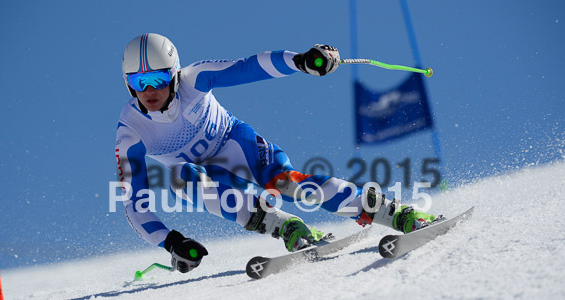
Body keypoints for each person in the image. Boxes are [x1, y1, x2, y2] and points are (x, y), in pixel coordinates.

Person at [115, 33, 440, 273]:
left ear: (173, 74)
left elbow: (249, 67)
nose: (149, 91)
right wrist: (172, 242)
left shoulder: (195, 79)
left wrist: (300, 61)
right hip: (204, 174)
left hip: (237, 145)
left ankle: (393, 212)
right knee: (181, 180)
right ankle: (287, 228)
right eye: (138, 81)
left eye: (157, 78)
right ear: (129, 84)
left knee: (289, 185)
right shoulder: (131, 131)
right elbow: (134, 203)